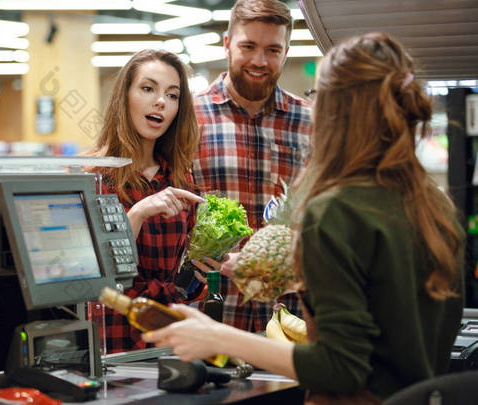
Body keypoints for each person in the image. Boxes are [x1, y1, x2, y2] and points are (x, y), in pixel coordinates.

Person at [144, 32, 465, 402]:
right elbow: (391, 308)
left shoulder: (335, 210)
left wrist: (217, 337)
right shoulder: (436, 206)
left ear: (334, 113)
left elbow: (341, 367)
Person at [192, 0, 312, 331]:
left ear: (286, 52)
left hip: (290, 319)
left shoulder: (310, 123)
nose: (260, 61)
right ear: (228, 44)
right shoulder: (187, 118)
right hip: (210, 319)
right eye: (248, 46)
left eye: (273, 49)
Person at [85, 49, 204, 352]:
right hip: (110, 337)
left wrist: (205, 264)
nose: (161, 101)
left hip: (167, 335)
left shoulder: (179, 179)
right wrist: (137, 214)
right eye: (148, 89)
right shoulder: (91, 177)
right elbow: (88, 272)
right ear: (124, 97)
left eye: (173, 95)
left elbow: (184, 274)